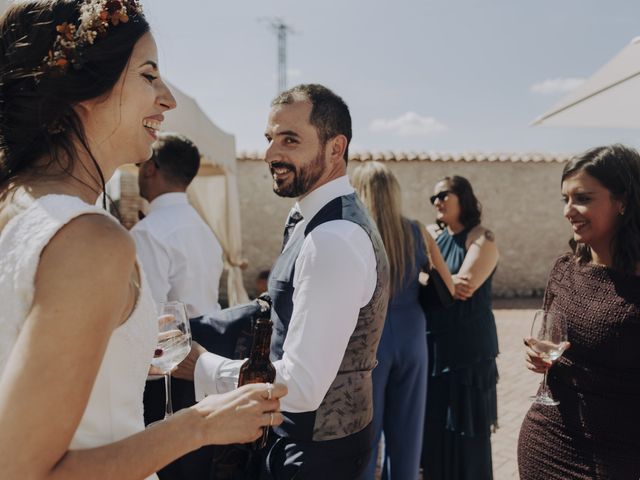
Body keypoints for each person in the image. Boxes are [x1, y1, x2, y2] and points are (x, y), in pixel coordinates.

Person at [0, 2, 286, 479]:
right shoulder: (90, 238)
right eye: (149, 75)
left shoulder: (15, 206)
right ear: (86, 89)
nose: (167, 98)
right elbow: (25, 471)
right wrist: (201, 424)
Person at [191, 84, 390, 479]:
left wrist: (202, 366)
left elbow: (300, 385)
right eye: (269, 138)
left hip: (316, 453)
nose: (270, 154)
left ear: (336, 148)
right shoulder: (309, 218)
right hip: (307, 441)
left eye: (289, 140)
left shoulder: (332, 239)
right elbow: (276, 306)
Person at [518, 144, 640, 479]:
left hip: (623, 454)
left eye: (582, 198)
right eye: (565, 199)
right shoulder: (564, 269)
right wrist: (541, 360)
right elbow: (552, 336)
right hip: (549, 441)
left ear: (623, 201)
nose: (568, 211)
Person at [351, 162, 454, 480]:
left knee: (366, 437)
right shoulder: (416, 230)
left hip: (369, 341)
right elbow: (448, 287)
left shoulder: (354, 231)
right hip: (412, 337)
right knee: (408, 437)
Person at [421, 175, 499, 480]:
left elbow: (459, 290)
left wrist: (431, 276)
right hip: (434, 346)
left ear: (462, 197)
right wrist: (434, 280)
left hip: (469, 348)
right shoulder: (435, 236)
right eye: (433, 198)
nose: (437, 202)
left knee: (467, 426)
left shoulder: (482, 237)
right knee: (434, 423)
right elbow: (413, 282)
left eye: (443, 195)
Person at [131, 132, 224, 318]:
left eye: (139, 165)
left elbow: (148, 315)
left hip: (174, 344)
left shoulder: (148, 233)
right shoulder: (203, 228)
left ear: (150, 168)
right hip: (208, 339)